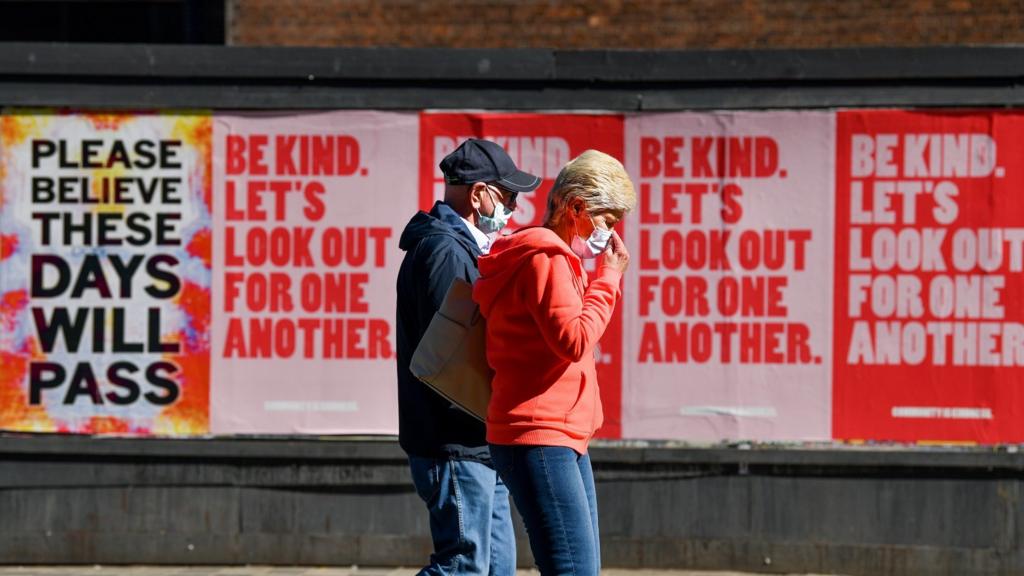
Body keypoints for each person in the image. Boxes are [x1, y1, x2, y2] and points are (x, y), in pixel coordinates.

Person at [472, 150, 636, 576]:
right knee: (574, 570)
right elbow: (574, 340)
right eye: (609, 220)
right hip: (541, 434)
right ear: (577, 207)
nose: (613, 234)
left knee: (580, 568)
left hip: (556, 433)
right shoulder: (548, 258)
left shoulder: (552, 257)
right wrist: (610, 276)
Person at [396, 138, 541, 575]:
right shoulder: (445, 251)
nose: (514, 207)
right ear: (478, 195)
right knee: (463, 567)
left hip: (475, 442)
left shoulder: (461, 248)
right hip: (454, 442)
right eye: (508, 195)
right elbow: (459, 355)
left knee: (493, 569)